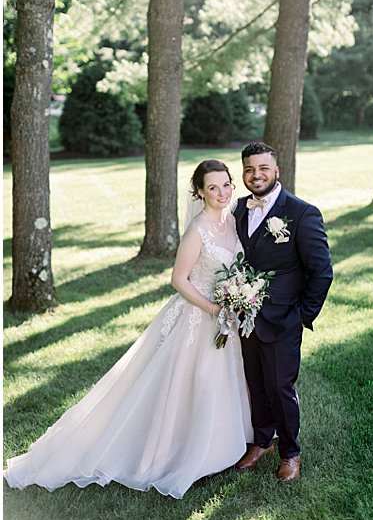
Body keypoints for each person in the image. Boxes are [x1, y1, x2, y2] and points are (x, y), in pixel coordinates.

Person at [4, 160, 253, 499]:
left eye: (226, 185)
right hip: (199, 316)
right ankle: (186, 452)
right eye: (213, 187)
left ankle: (223, 444)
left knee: (221, 379)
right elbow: (179, 280)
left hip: (227, 316)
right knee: (196, 381)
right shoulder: (198, 230)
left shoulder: (233, 219)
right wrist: (214, 309)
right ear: (199, 192)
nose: (222, 193)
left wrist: (237, 299)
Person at [231, 142, 333, 483]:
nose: (256, 175)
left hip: (284, 318)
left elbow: (322, 271)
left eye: (263, 168)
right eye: (249, 169)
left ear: (277, 171)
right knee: (255, 383)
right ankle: (262, 441)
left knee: (280, 386)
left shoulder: (302, 213)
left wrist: (302, 315)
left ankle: (290, 451)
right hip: (245, 316)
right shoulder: (238, 210)